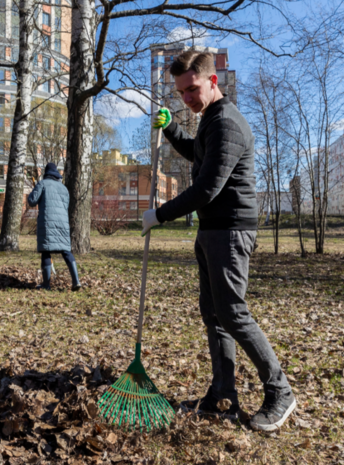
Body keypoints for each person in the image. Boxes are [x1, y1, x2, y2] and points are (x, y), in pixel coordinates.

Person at [141, 50, 295, 431]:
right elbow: (199, 156)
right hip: (212, 231)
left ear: (214, 81)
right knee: (215, 315)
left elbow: (208, 186)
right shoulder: (210, 121)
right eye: (180, 93)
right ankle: (222, 396)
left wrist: (159, 214)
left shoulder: (226, 122)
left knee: (232, 313)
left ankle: (280, 391)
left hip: (230, 231)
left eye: (192, 89)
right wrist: (172, 130)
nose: (187, 98)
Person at [27, 162, 81, 291]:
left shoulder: (42, 184)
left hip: (47, 222)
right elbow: (65, 206)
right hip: (62, 223)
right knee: (66, 251)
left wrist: (34, 192)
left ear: (46, 173)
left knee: (46, 251)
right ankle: (76, 281)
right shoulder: (64, 188)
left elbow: (32, 201)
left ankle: (46, 284)